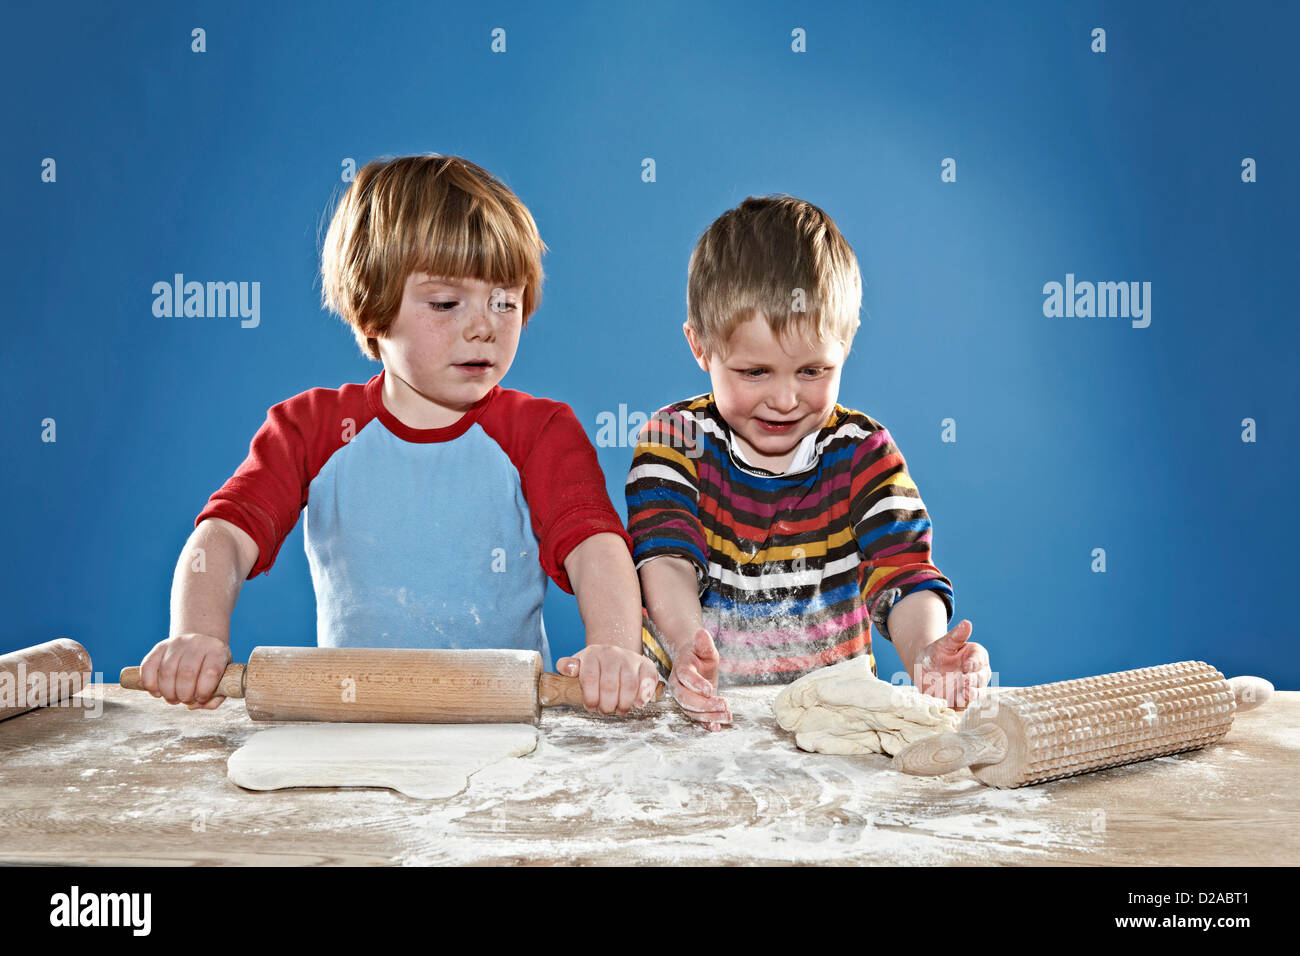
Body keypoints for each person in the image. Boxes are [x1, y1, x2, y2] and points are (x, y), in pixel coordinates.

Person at [140, 154, 659, 716]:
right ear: (372, 313)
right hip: (353, 721)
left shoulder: (541, 432)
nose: (484, 324)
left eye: (504, 300)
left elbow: (594, 547)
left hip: (503, 721)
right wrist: (198, 636)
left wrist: (613, 647)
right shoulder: (309, 429)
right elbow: (223, 536)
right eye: (445, 303)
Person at [626, 195, 991, 730]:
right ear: (700, 346)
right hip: (690, 723)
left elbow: (902, 573)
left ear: (846, 346)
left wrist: (927, 655)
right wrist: (686, 647)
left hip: (834, 728)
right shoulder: (675, 441)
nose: (785, 399)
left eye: (813, 371)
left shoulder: (862, 453)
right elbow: (666, 559)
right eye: (755, 372)